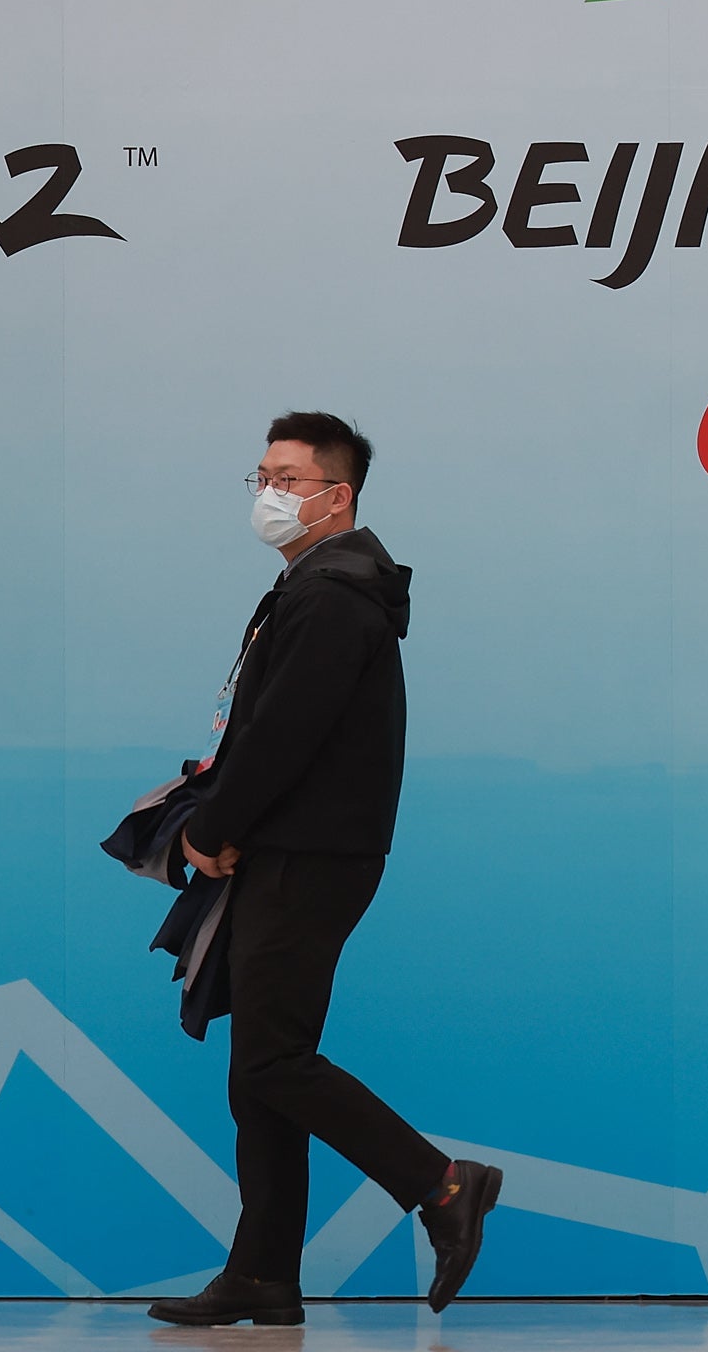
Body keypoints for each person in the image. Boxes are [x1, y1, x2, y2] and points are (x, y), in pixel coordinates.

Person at [146, 411, 499, 1326]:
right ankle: (262, 1275)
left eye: (290, 478)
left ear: (337, 496)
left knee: (271, 1059)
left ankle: (442, 1183)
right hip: (294, 848)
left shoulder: (333, 594)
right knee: (258, 1067)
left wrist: (214, 825)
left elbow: (284, 735)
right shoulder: (319, 585)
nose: (269, 494)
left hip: (309, 854)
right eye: (262, 474)